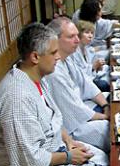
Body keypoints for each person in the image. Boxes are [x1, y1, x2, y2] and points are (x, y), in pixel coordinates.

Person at [0, 23, 108, 166]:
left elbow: (53, 118)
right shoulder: (17, 98)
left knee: (102, 159)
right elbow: (28, 161)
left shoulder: (34, 77)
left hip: (51, 151)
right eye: (53, 53)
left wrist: (69, 142)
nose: (59, 57)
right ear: (35, 57)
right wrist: (68, 157)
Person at [46, 17, 110, 152]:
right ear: (55, 40)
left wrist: (105, 105)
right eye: (71, 36)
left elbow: (87, 83)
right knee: (110, 128)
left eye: (77, 35)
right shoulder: (53, 71)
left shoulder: (67, 58)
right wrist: (106, 115)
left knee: (111, 97)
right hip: (74, 126)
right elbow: (75, 110)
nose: (77, 40)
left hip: (86, 108)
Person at [70, 20, 110, 92]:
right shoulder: (74, 52)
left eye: (92, 33)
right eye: (87, 32)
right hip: (83, 86)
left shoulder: (86, 48)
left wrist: (98, 67)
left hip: (90, 78)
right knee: (105, 85)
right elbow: (78, 76)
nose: (90, 36)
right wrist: (94, 66)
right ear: (78, 34)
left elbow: (91, 68)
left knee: (109, 71)